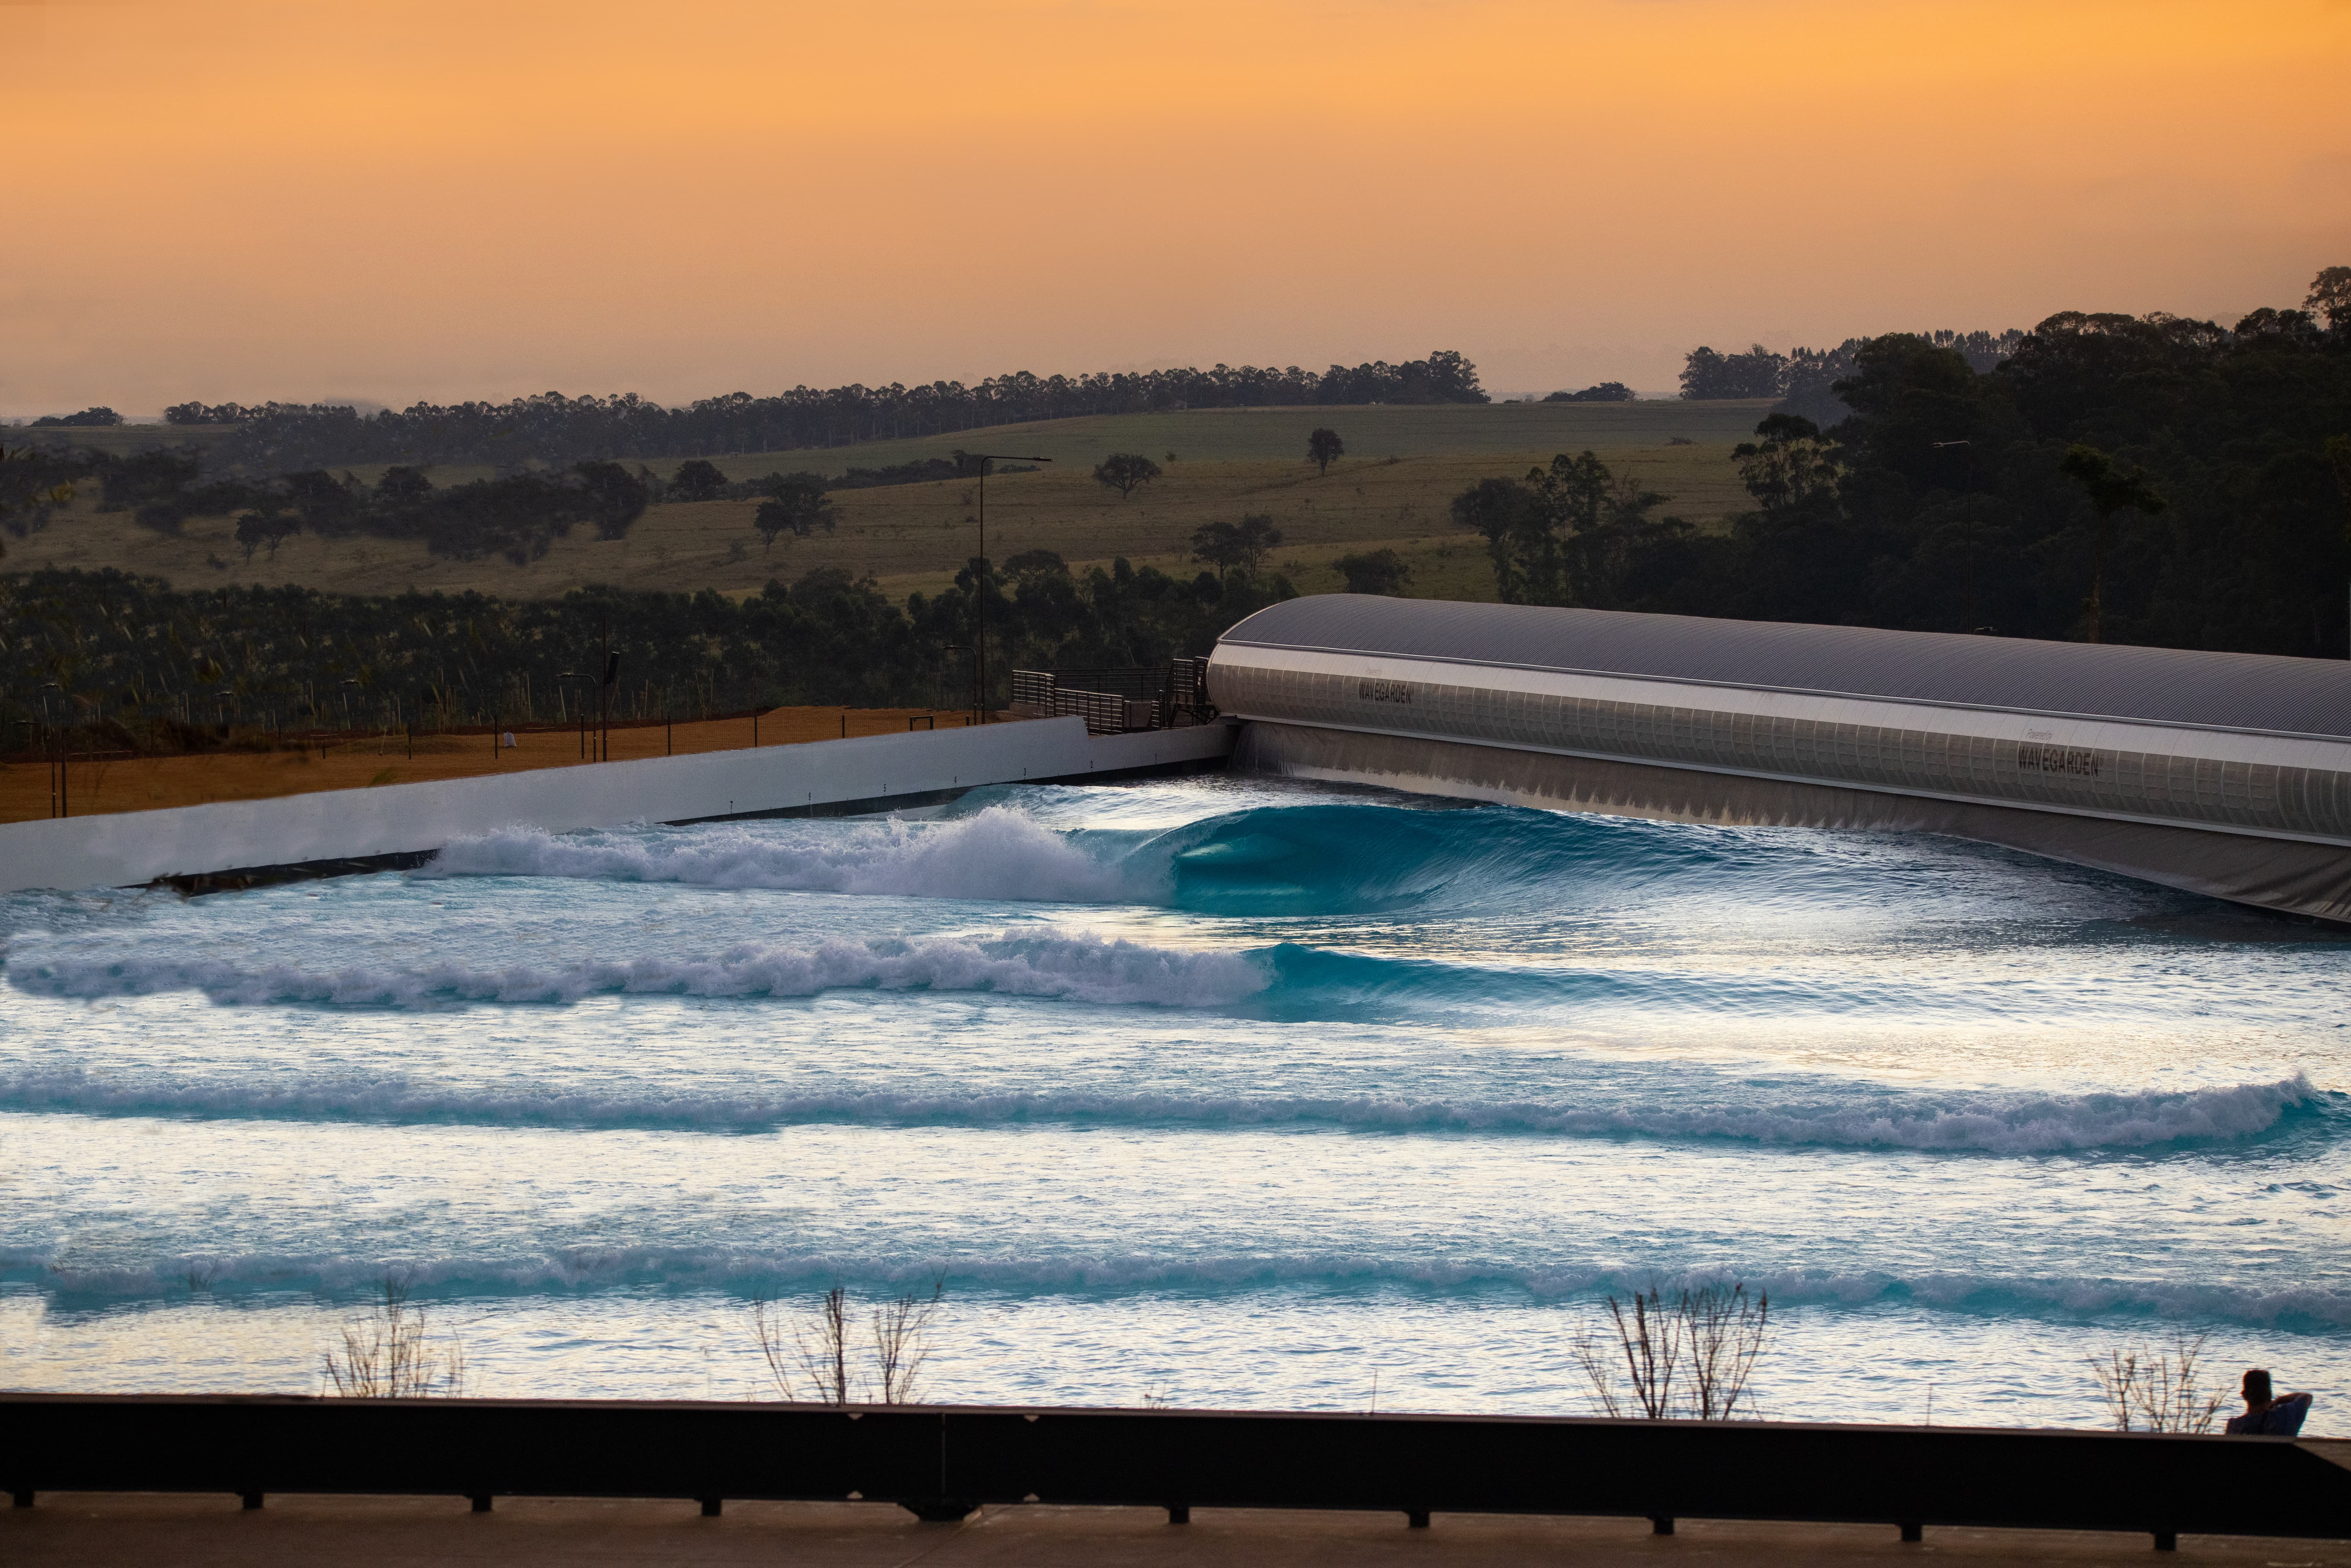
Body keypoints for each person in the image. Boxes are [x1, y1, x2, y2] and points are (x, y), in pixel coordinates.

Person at [2224, 1369, 2313, 1436]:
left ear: (2244, 1395)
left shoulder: (2234, 1426)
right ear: (2270, 1395)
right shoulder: (2286, 1416)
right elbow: (2307, 1397)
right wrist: (2279, 1400)